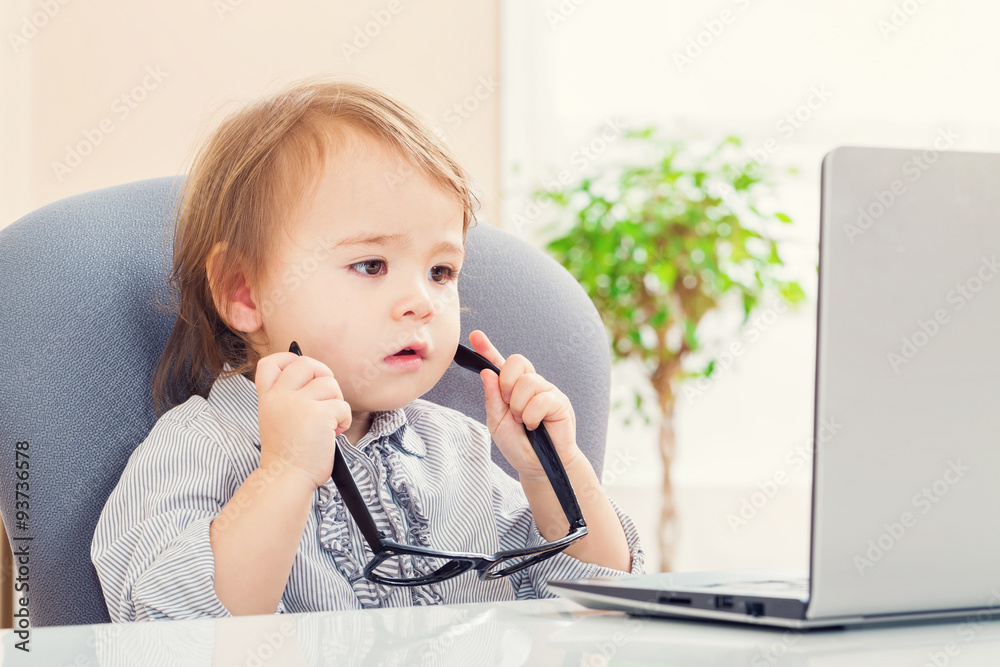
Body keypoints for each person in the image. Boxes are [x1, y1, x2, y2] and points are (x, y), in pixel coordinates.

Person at [90, 78, 645, 622]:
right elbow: (171, 626)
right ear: (245, 292)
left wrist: (557, 471)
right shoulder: (201, 446)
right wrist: (284, 472)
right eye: (371, 264)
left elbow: (604, 604)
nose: (421, 302)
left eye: (440, 271)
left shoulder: (458, 449)